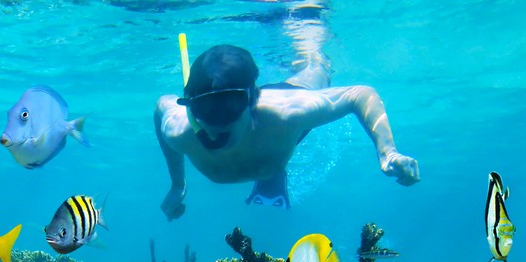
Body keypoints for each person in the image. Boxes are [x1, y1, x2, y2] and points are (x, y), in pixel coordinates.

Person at [155, 42, 420, 219]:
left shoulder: (288, 115)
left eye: (230, 106)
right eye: (206, 110)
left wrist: (388, 152)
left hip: (283, 105)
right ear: (190, 108)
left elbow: (359, 94)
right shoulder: (180, 131)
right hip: (266, 140)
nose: (217, 122)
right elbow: (161, 107)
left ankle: (308, 40)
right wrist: (177, 184)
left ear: (251, 100)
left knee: (315, 69)